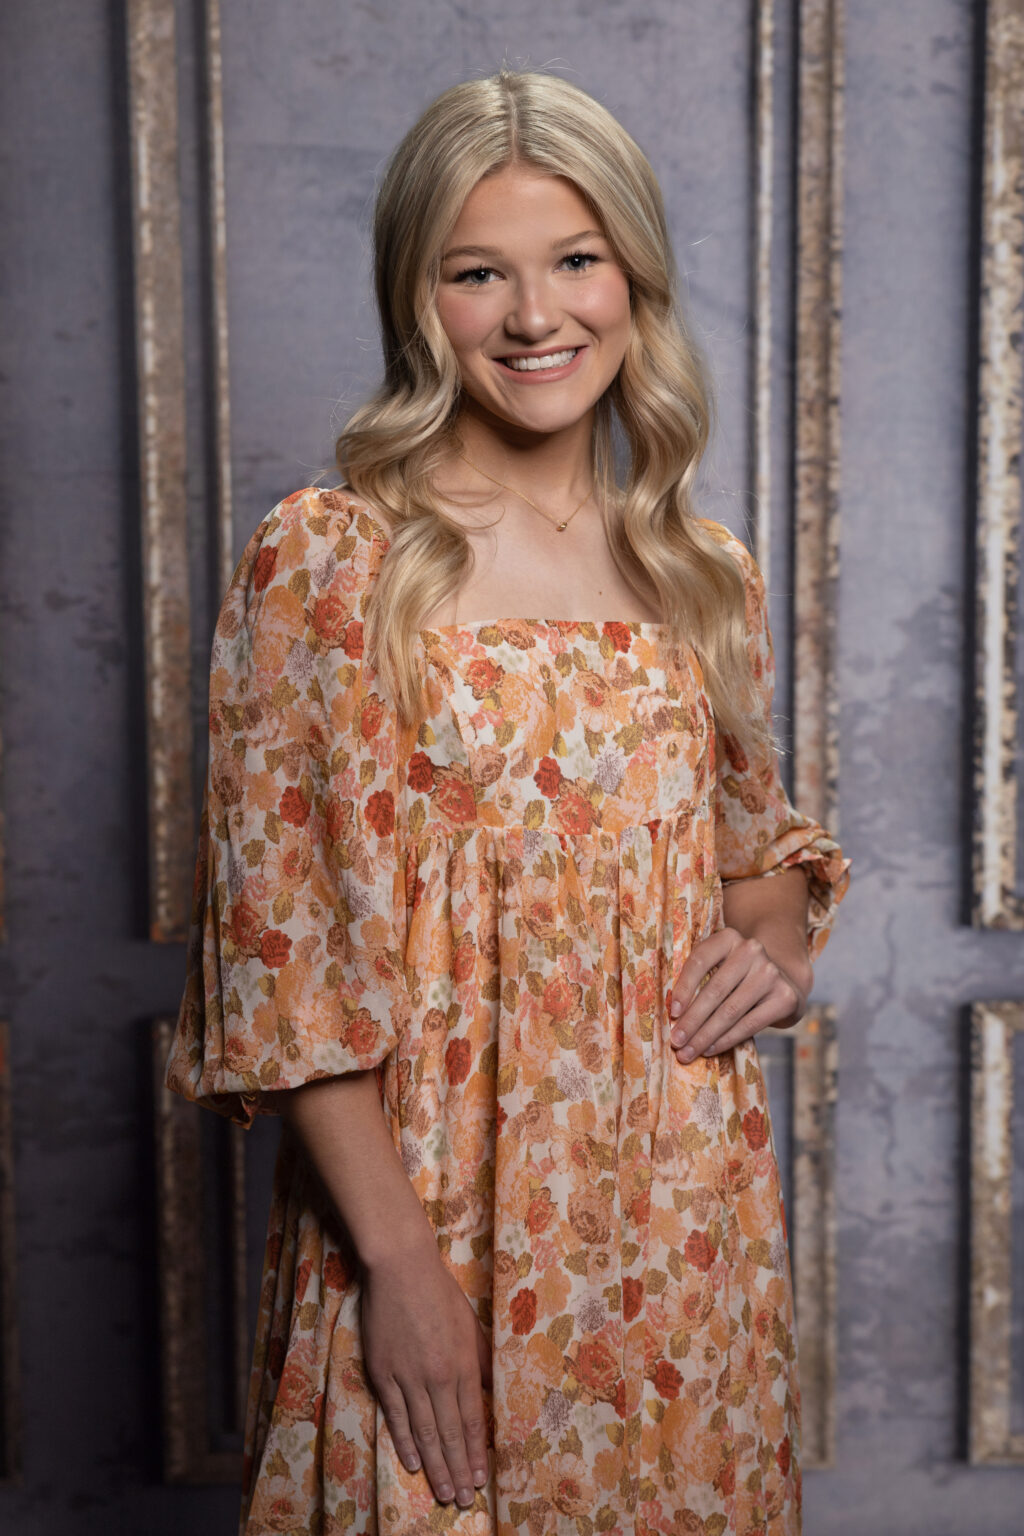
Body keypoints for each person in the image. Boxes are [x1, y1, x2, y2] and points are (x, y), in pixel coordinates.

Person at [165, 65, 851, 1536]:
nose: (538, 317)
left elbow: (756, 852)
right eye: (481, 273)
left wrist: (781, 943)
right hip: (425, 1225)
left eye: (575, 262)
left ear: (634, 280)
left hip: (676, 1235)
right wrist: (401, 1273)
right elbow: (290, 969)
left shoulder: (696, 569)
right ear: (420, 297)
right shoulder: (337, 558)